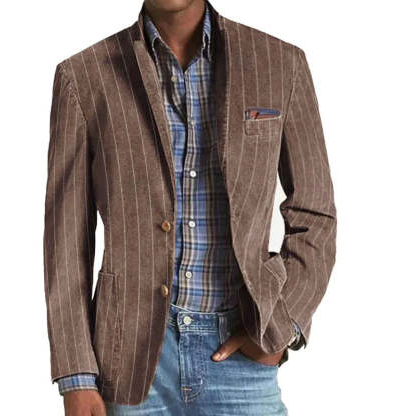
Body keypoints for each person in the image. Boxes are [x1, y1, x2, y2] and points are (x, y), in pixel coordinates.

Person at [43, 0, 337, 414]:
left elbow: (315, 212)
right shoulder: (83, 76)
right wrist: (76, 375)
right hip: (126, 364)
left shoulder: (280, 63)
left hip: (242, 352)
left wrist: (281, 323)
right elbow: (65, 239)